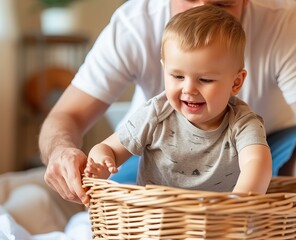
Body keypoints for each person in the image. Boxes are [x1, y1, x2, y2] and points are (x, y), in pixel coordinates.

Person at [40, 0, 296, 205]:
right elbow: (69, 116)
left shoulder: (282, 20)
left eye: (223, 5)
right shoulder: (134, 25)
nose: (205, 12)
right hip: (156, 159)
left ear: (237, 81)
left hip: (271, 147)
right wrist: (70, 153)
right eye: (191, 0)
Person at [83, 5, 272, 195]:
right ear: (164, 70)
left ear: (236, 82)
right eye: (177, 76)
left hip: (220, 221)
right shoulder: (156, 114)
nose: (189, 89)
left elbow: (256, 164)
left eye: (205, 80)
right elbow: (109, 148)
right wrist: (102, 163)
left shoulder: (242, 122)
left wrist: (238, 204)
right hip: (155, 219)